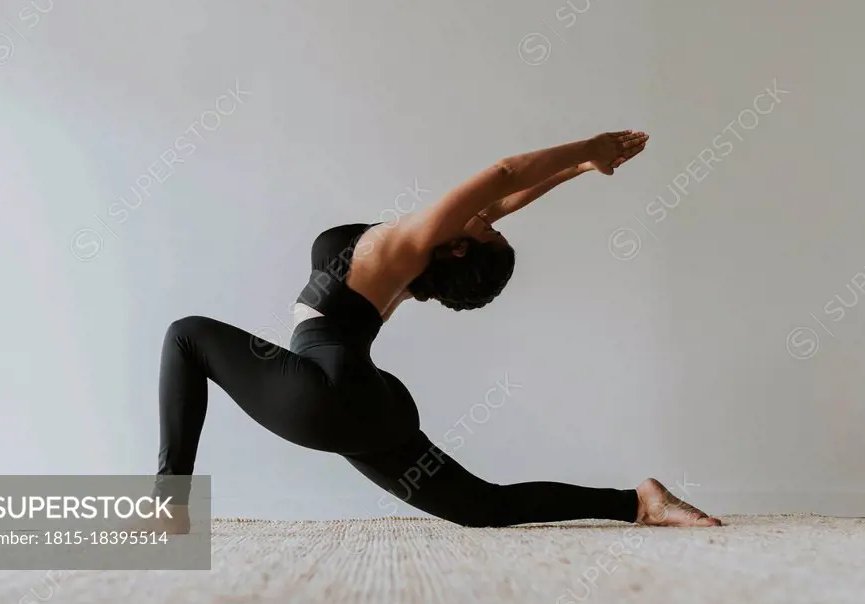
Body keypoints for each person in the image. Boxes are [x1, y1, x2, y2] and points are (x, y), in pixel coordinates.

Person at [152, 129, 722, 533]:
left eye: (486, 230)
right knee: (481, 506)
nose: (489, 218)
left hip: (325, 394)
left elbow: (501, 176)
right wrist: (576, 171)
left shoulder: (408, 244)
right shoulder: (411, 262)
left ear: (457, 246)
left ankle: (168, 507)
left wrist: (589, 148)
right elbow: (505, 199)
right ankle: (638, 503)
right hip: (371, 407)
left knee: (186, 334)